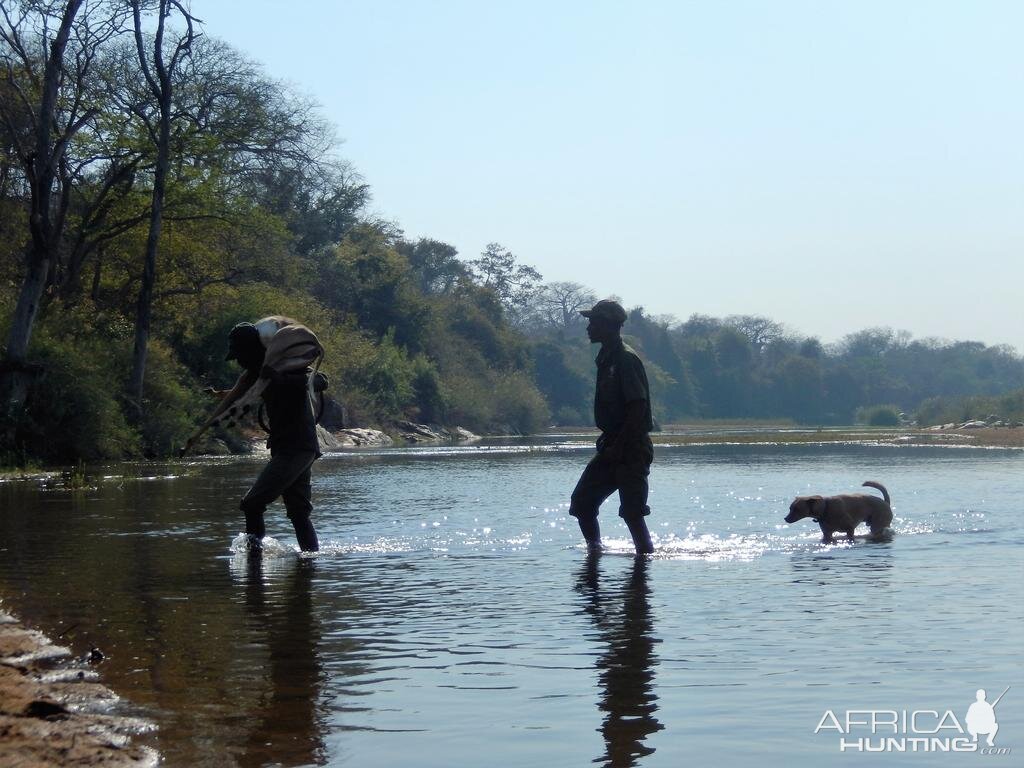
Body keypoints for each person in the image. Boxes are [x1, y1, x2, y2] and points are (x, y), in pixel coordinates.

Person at [195, 320, 322, 552]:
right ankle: (309, 565)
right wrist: (219, 394)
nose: (240, 361)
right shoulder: (258, 374)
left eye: (241, 355)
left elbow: (314, 380)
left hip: (296, 448)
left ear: (253, 349)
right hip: (292, 448)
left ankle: (254, 568)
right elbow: (242, 392)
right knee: (298, 513)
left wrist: (277, 377)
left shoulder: (282, 365)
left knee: (251, 504)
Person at [569, 299, 655, 554]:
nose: (588, 328)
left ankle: (643, 566)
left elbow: (637, 407)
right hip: (611, 446)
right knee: (582, 504)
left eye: (593, 322)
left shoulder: (626, 359)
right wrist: (612, 446)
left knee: (632, 513)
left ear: (607, 325)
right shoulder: (605, 357)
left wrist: (620, 446)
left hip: (631, 448)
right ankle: (594, 555)